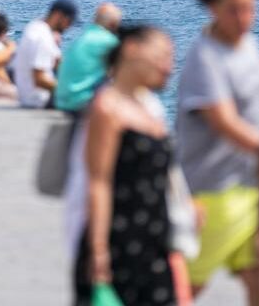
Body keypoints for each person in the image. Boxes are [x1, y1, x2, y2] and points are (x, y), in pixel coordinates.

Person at [176, 0, 259, 301]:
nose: (244, 18)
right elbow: (225, 121)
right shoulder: (205, 57)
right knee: (185, 289)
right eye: (233, 10)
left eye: (249, 8)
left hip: (253, 190)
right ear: (211, 7)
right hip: (213, 195)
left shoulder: (248, 46)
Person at [74, 25, 179, 306]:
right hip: (119, 243)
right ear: (131, 49)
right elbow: (98, 181)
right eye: (163, 55)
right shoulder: (106, 108)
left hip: (156, 243)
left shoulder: (151, 109)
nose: (169, 66)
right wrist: (98, 251)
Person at [55, 2, 123, 114]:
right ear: (113, 24)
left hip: (62, 100)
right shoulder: (108, 41)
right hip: (79, 103)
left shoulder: (82, 38)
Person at [14, 0, 77, 109]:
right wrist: (68, 89)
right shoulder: (43, 38)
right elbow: (39, 79)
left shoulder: (34, 26)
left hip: (25, 95)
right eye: (69, 21)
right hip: (38, 99)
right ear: (58, 16)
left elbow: (58, 62)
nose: (68, 27)